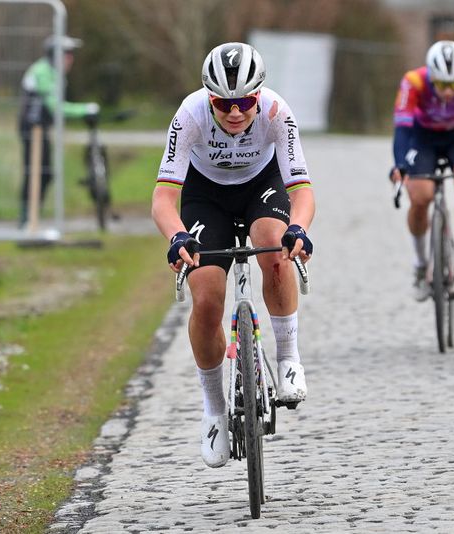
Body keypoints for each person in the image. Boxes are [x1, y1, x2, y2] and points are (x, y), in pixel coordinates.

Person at [151, 42, 315, 468]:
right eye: (224, 103)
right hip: (206, 197)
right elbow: (164, 199)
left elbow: (302, 191)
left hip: (262, 185)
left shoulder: (278, 112)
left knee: (274, 245)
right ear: (209, 98)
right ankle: (214, 412)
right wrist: (177, 237)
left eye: (245, 102)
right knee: (206, 300)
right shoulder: (189, 116)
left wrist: (299, 229)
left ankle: (288, 357)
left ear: (258, 95)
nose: (235, 112)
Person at [390, 40, 454, 302]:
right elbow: (402, 129)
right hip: (423, 137)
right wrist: (400, 164)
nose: (448, 91)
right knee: (420, 196)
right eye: (441, 84)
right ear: (431, 76)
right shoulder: (413, 81)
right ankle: (421, 266)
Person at [18, 35, 100, 226]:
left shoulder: (53, 72)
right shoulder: (43, 72)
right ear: (54, 55)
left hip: (40, 128)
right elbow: (55, 106)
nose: (71, 59)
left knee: (42, 173)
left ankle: (31, 218)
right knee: (37, 173)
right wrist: (84, 110)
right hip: (32, 129)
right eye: (67, 54)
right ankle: (27, 219)